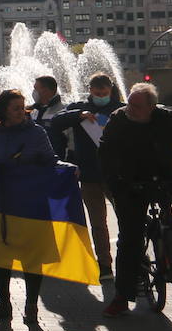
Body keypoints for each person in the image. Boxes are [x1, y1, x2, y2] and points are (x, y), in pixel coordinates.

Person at [101, 82, 172, 318]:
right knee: (130, 238)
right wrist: (116, 182)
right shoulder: (118, 120)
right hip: (129, 180)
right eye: (129, 103)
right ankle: (122, 296)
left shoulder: (164, 118)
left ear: (151, 107)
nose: (130, 108)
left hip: (163, 172)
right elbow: (106, 152)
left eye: (137, 105)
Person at [0, 89, 56, 324]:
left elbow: (51, 161)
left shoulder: (37, 133)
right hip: (1, 204)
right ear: (2, 111)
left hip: (31, 203)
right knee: (0, 256)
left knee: (33, 257)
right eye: (16, 108)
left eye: (23, 108)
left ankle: (31, 305)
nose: (22, 112)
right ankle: (4, 302)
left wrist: (67, 168)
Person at [49, 73, 123, 280]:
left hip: (116, 175)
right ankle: (105, 265)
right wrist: (79, 115)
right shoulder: (79, 107)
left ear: (110, 90)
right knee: (98, 223)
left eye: (104, 92)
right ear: (90, 90)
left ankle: (137, 261)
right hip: (89, 175)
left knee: (127, 219)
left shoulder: (119, 109)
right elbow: (56, 122)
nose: (100, 95)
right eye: (97, 92)